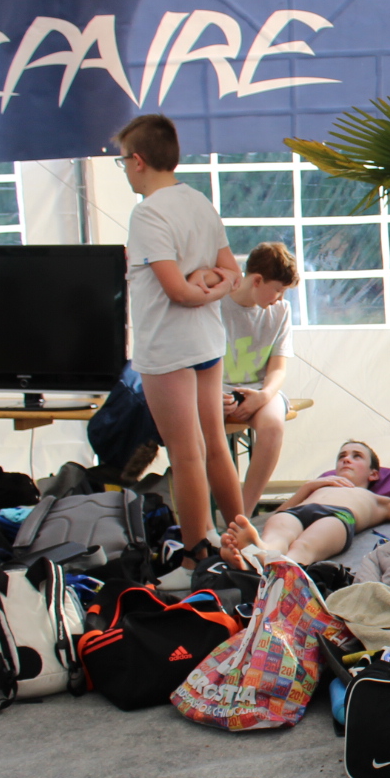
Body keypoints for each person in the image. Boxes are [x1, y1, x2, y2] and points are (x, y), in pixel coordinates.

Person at [116, 113, 242, 565]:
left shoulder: (148, 213)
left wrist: (198, 285)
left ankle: (195, 556)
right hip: (206, 343)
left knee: (187, 454)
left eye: (122, 161)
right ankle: (243, 538)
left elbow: (178, 291)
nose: (124, 169)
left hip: (169, 348)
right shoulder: (199, 201)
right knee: (215, 445)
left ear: (138, 160)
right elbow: (233, 273)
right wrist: (211, 279)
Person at [219, 440, 390, 567]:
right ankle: (262, 552)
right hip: (296, 512)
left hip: (338, 515)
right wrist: (307, 487)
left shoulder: (375, 499)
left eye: (357, 456)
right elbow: (278, 513)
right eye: (342, 456)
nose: (346, 459)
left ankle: (277, 566)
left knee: (303, 547)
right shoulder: (317, 487)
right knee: (277, 534)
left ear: (373, 474)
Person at [221, 241, 298, 512]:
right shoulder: (215, 305)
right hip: (215, 390)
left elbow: (278, 368)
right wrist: (213, 395)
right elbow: (197, 363)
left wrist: (264, 396)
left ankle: (241, 514)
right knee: (202, 428)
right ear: (256, 280)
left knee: (273, 426)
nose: (279, 298)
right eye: (277, 290)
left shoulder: (281, 310)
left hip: (259, 390)